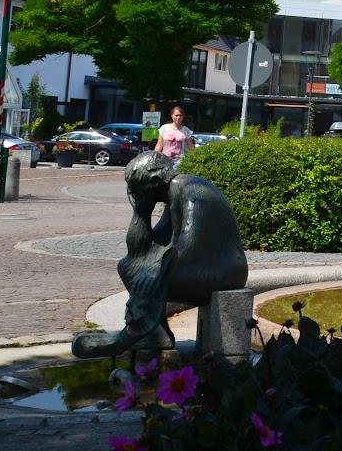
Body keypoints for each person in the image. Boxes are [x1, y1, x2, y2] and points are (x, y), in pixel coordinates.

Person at [72, 151, 248, 358]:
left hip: (223, 270)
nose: (133, 192)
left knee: (153, 275)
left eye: (137, 187)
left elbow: (189, 245)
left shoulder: (189, 189)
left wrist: (156, 272)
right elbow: (144, 248)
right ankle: (156, 334)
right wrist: (141, 211)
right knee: (129, 267)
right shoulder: (172, 193)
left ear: (155, 181)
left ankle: (126, 338)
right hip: (197, 262)